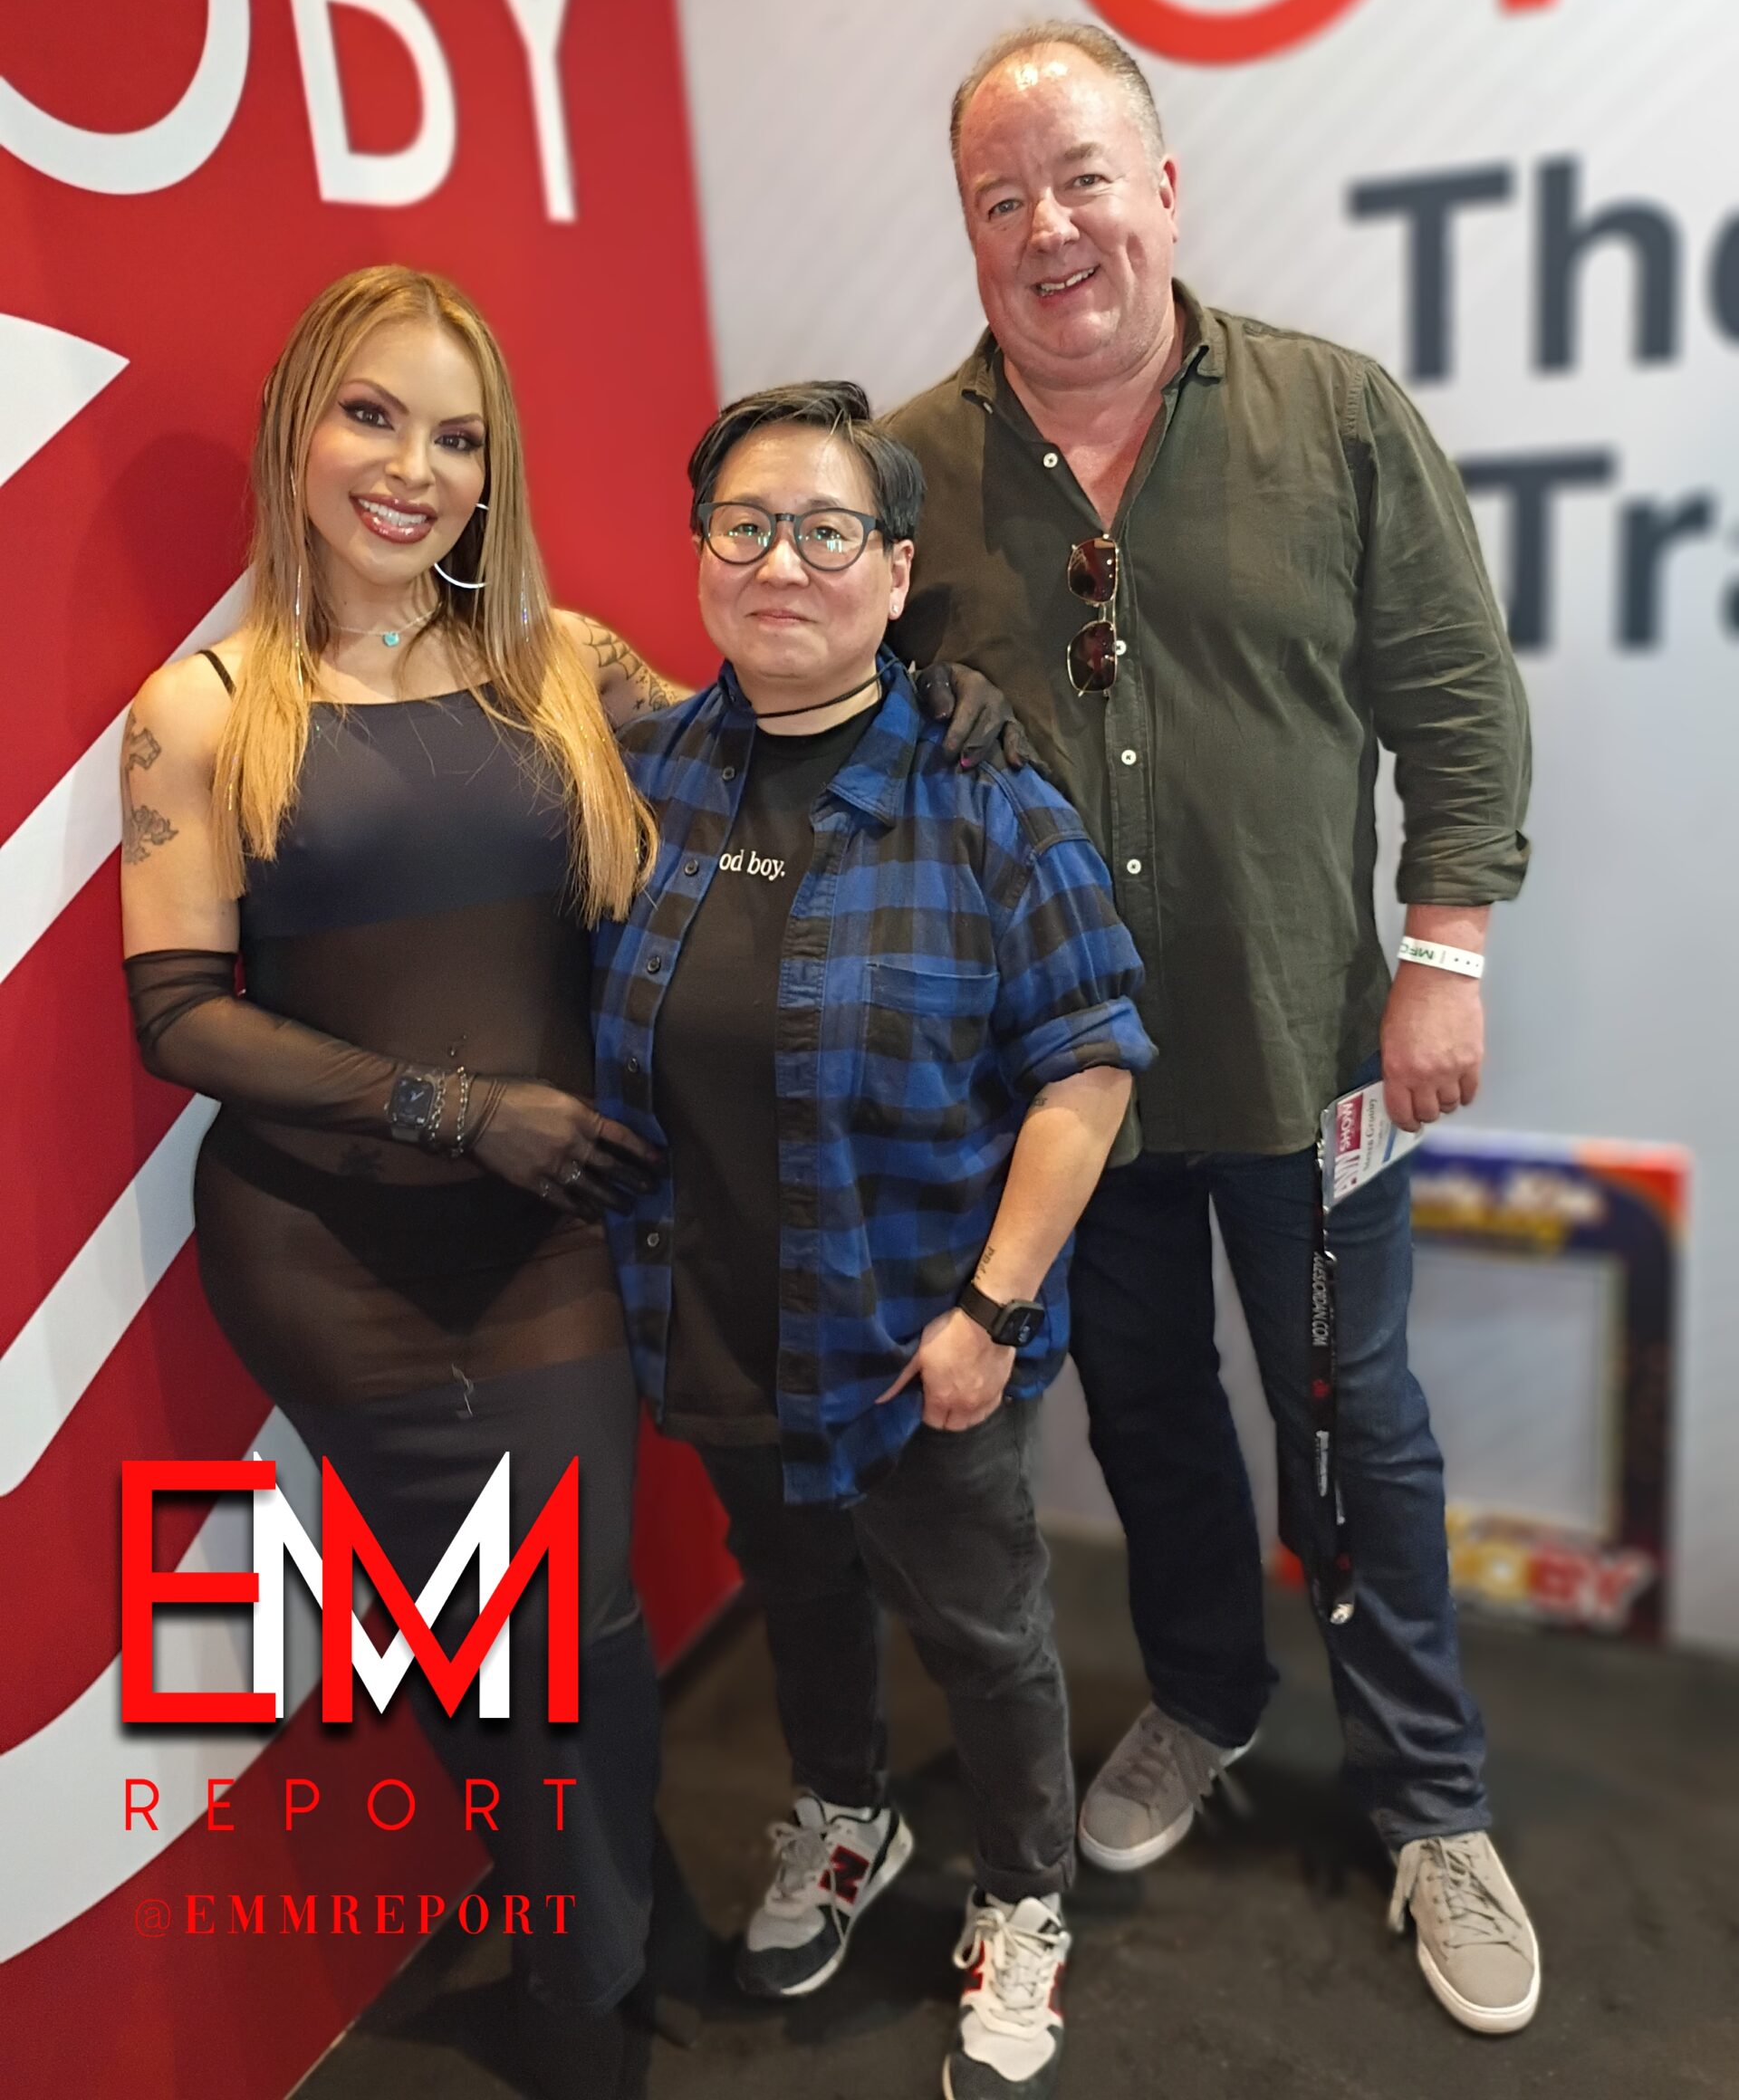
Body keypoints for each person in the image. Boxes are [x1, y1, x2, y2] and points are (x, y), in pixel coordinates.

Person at [886, 23, 1541, 2039]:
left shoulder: (1335, 417)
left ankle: (1430, 1797)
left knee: (1358, 1423)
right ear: (971, 234)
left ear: (1162, 191)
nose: (1049, 228)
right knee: (1152, 1408)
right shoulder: (902, 474)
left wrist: (1446, 958)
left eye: (1083, 177)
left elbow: (1454, 697)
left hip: (1308, 1052)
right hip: (1061, 1092)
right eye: (1003, 199)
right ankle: (1204, 1692)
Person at [120, 264, 710, 2100]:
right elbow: (180, 1018)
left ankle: (601, 1946)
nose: (412, 469)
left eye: (457, 437)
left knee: (573, 1624)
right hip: (325, 1255)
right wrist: (461, 1107)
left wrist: (934, 716)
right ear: (298, 425)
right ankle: (584, 1978)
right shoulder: (204, 705)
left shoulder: (566, 665)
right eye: (372, 415)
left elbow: (777, 752)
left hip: (544, 1241)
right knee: (489, 1638)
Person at [590, 381, 1156, 2099]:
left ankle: (1026, 1891)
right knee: (800, 1591)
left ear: (897, 571)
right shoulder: (641, 773)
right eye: (746, 525)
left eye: (829, 530)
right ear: (701, 551)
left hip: (921, 1336)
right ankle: (846, 1814)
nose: (783, 562)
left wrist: (993, 1311)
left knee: (984, 1631)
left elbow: (1088, 1072)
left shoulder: (988, 798)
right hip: (714, 1307)